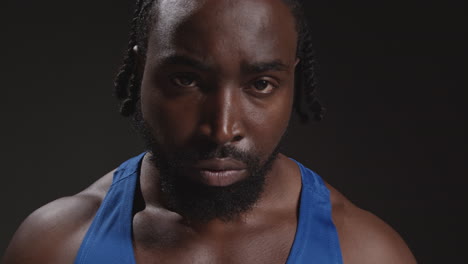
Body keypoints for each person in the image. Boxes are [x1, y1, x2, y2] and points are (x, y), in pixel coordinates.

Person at [3, 0, 417, 263]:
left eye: (260, 84)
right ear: (138, 71)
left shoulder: (364, 252)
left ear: (295, 81)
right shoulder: (56, 247)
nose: (221, 129)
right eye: (186, 80)